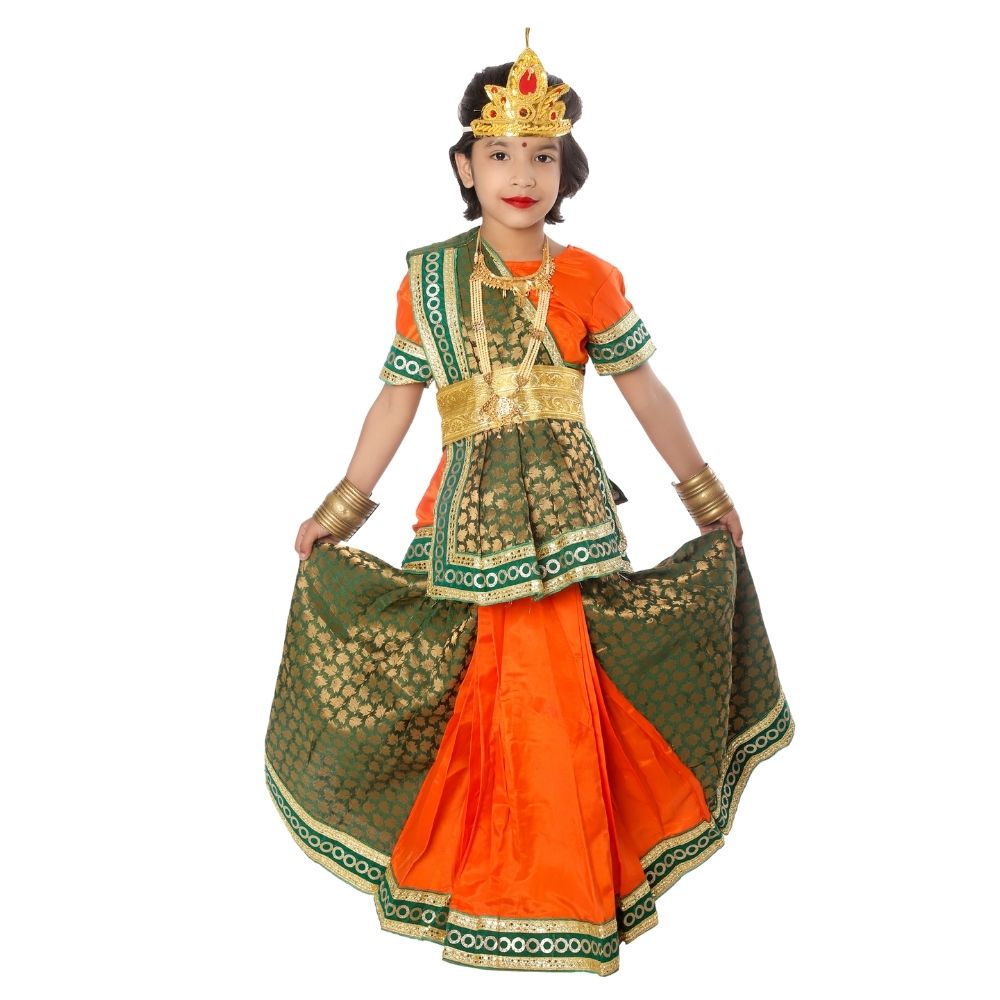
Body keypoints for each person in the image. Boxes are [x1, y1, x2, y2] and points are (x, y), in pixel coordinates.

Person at [265, 28, 795, 977]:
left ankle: (564, 894)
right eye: (500, 153)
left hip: (566, 522)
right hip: (460, 521)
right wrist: (339, 510)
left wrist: (704, 493)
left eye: (543, 155)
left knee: (558, 703)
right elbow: (397, 400)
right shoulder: (427, 280)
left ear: (565, 169)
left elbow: (645, 393)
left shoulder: (589, 277)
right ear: (464, 167)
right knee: (464, 698)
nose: (522, 174)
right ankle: (478, 886)